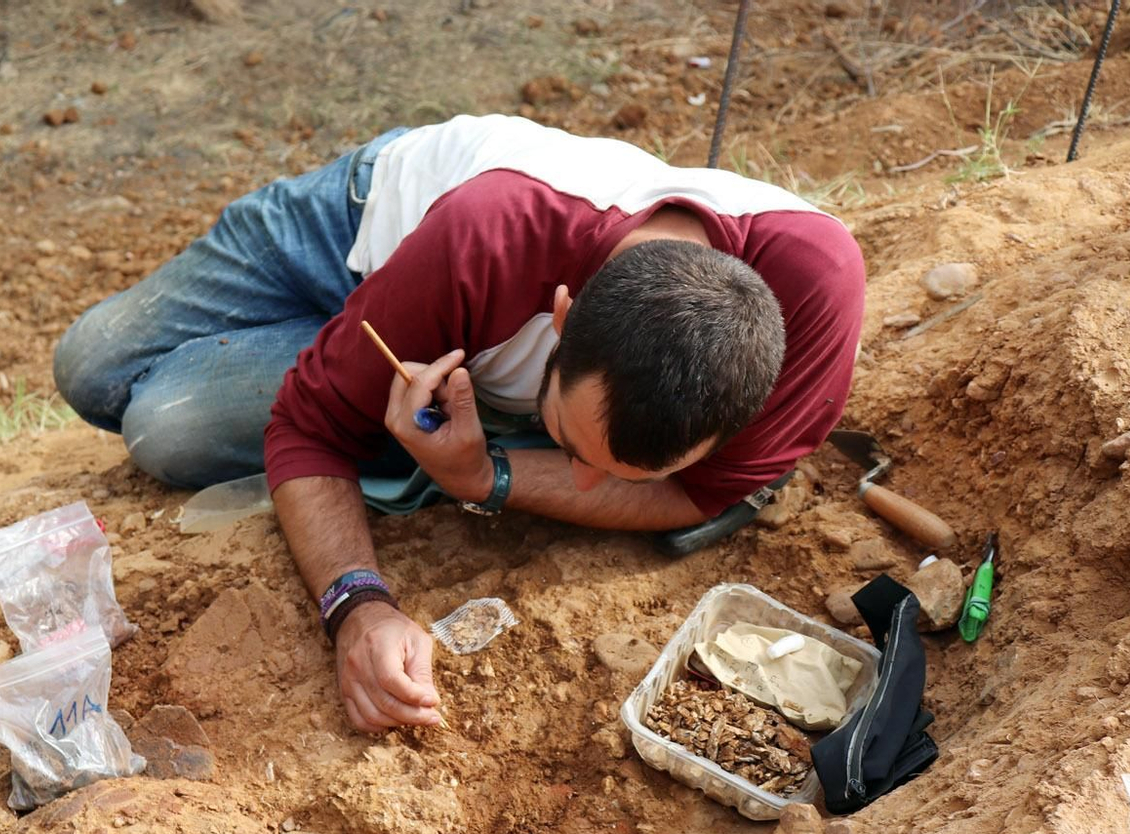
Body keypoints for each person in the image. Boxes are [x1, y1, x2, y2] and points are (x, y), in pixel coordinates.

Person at [54, 114, 865, 735]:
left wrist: (488, 478)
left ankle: (373, 355)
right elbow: (307, 433)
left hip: (453, 317)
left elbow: (700, 494)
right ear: (563, 315)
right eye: (573, 444)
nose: (583, 487)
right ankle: (358, 340)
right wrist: (359, 607)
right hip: (367, 219)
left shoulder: (813, 301)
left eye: (621, 475)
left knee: (166, 425)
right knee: (91, 369)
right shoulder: (492, 236)